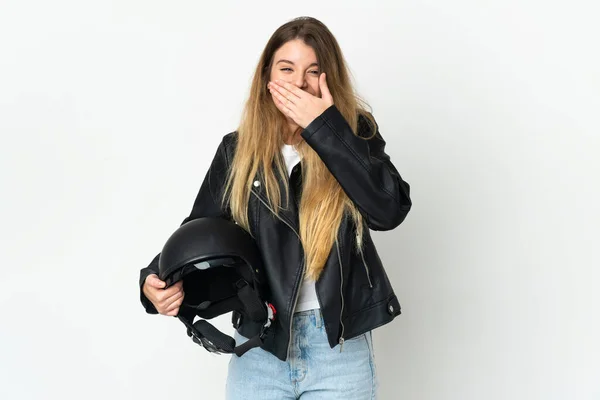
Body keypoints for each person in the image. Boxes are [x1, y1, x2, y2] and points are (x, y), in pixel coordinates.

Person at [139, 16, 412, 400]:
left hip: (338, 348)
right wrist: (155, 278)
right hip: (261, 343)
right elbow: (202, 228)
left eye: (313, 72)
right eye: (287, 69)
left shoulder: (354, 133)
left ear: (328, 80)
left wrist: (325, 129)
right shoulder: (237, 149)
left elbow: (389, 210)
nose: (299, 83)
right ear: (268, 76)